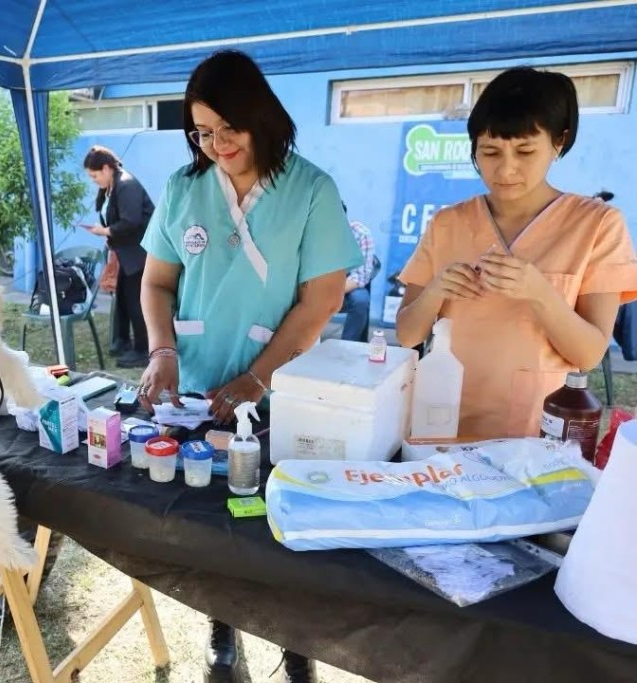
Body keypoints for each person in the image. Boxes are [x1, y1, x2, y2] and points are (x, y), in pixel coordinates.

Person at [138, 50, 363, 683]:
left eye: (228, 128)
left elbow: (321, 299)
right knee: (214, 524)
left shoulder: (310, 190)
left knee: (279, 524)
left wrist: (258, 378)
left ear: (259, 115)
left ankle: (297, 648)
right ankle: (222, 634)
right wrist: (162, 351)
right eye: (202, 132)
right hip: (199, 389)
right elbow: (156, 283)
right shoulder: (184, 189)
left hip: (282, 392)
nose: (217, 145)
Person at [396, 67, 637, 438]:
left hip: (533, 433)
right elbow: (406, 335)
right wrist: (435, 292)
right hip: (442, 421)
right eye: (490, 151)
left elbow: (588, 354)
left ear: (559, 142)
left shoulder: (597, 225)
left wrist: (540, 293)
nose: (505, 169)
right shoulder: (448, 223)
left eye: (525, 151)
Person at [80, 145, 155, 369]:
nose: (93, 180)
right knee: (123, 299)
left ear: (106, 168)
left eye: (94, 176)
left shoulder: (126, 184)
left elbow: (130, 221)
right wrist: (108, 234)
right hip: (127, 252)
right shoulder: (112, 186)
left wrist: (105, 231)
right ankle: (124, 342)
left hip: (140, 253)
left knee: (137, 302)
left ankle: (144, 350)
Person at [339, 202, 375, 341]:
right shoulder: (312, 233)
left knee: (360, 300)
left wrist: (328, 292)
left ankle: (347, 345)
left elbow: (360, 277)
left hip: (346, 285)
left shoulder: (360, 234)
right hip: (317, 283)